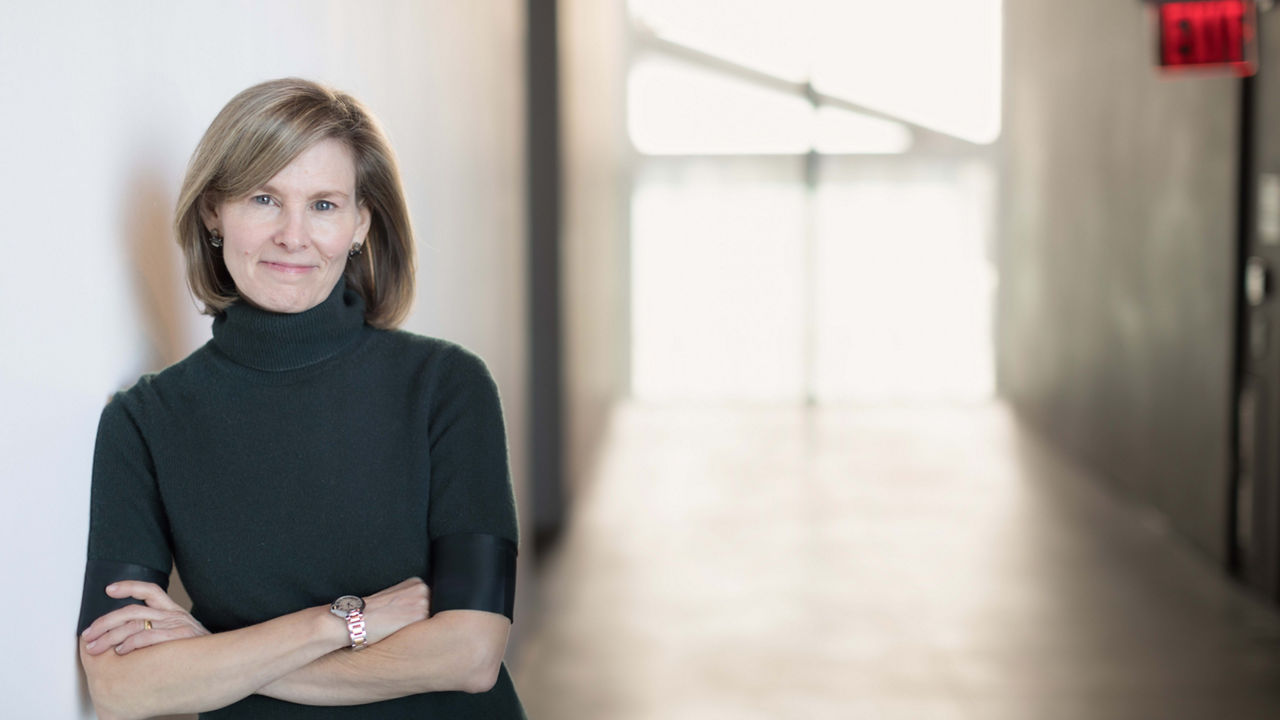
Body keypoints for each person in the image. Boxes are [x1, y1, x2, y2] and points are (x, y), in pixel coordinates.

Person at [76, 77, 525, 719]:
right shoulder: (145, 423)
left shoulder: (448, 387)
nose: (293, 236)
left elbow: (472, 654)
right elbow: (123, 685)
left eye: (323, 205)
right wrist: (338, 623)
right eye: (264, 198)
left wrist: (219, 657)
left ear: (361, 222)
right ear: (212, 211)